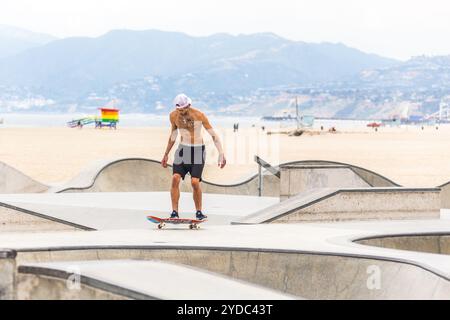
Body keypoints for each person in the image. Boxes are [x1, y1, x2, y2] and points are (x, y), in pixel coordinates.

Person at [161, 94, 226, 220]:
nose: (182, 112)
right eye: (179, 110)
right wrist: (166, 154)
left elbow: (213, 135)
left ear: (189, 105)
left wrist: (221, 153)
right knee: (175, 178)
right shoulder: (173, 116)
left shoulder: (199, 115)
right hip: (182, 150)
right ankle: (174, 212)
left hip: (197, 151)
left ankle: (199, 212)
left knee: (195, 182)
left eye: (184, 109)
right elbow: (173, 136)